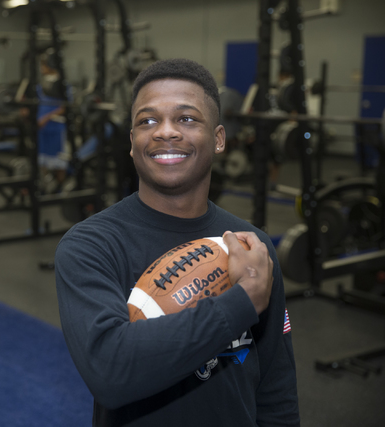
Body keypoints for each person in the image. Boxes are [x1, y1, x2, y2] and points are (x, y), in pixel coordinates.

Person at [55, 58, 300, 426]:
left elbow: (276, 386)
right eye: (147, 121)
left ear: (219, 139)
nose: (165, 132)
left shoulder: (252, 247)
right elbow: (110, 371)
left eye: (186, 118)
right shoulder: (91, 245)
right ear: (133, 142)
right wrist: (242, 301)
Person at [35, 50, 71, 193]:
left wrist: (46, 117)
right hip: (42, 129)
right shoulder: (41, 85)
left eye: (43, 65)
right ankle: (44, 186)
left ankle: (59, 188)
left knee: (59, 159)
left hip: (56, 128)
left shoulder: (62, 85)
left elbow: (65, 107)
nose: (41, 68)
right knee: (42, 158)